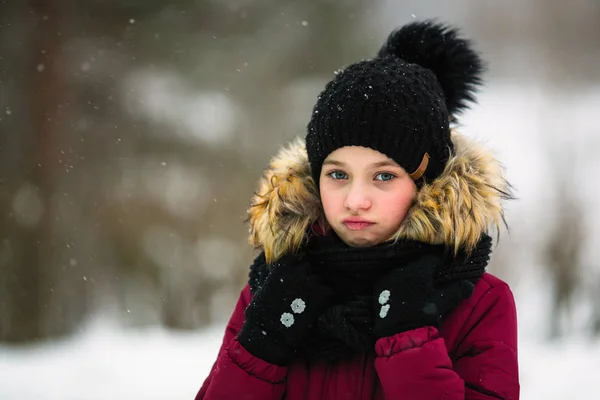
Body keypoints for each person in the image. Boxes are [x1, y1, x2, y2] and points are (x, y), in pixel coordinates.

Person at [195, 20, 519, 400]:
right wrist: (262, 344)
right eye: (337, 174)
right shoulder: (272, 289)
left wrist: (408, 337)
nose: (355, 200)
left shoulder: (479, 301)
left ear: (425, 182)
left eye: (383, 176)